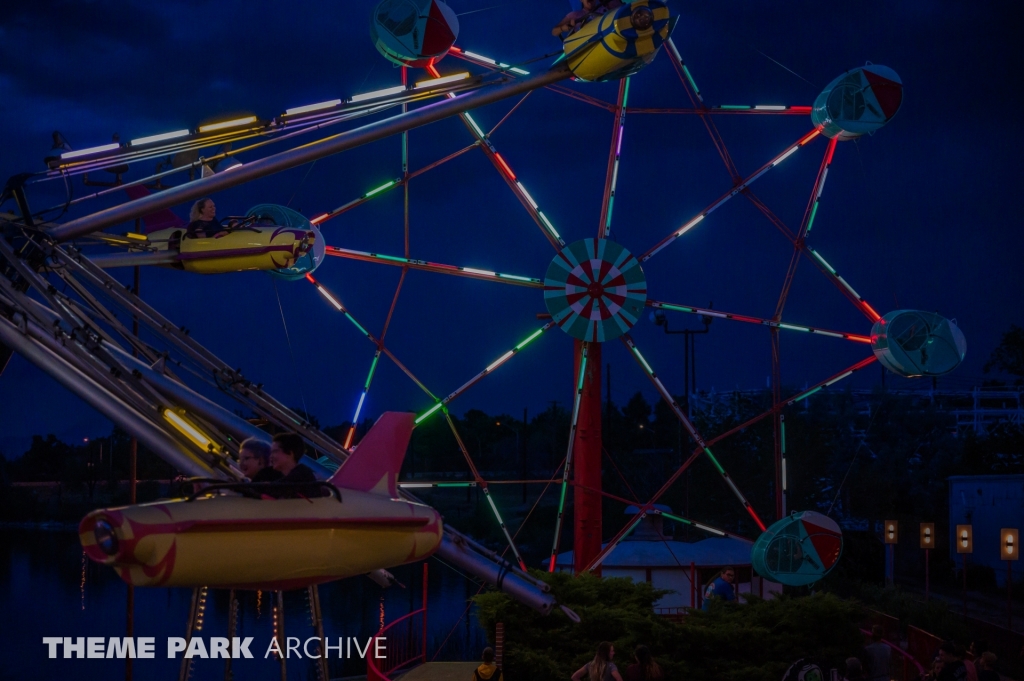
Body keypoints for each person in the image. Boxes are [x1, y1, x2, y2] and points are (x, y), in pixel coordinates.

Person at [267, 432, 325, 498]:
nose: (271, 456)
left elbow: (271, 489)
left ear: (290, 453)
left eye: (275, 451)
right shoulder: (295, 475)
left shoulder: (301, 476)